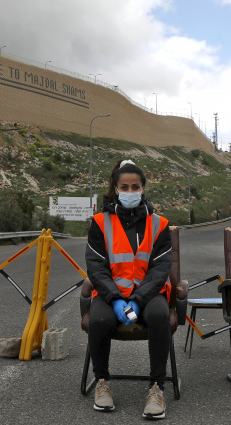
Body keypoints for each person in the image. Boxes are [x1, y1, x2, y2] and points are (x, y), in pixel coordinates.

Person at [85, 159, 173, 419]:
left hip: (148, 294)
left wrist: (138, 300)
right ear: (115, 188)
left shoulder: (160, 224)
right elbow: (96, 267)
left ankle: (157, 388)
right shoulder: (99, 223)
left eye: (136, 187)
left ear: (143, 188)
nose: (131, 192)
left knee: (159, 316)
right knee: (99, 320)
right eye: (125, 187)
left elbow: (160, 269)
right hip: (112, 294)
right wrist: (113, 299)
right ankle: (102, 383)